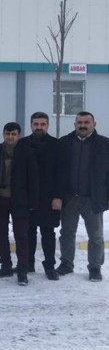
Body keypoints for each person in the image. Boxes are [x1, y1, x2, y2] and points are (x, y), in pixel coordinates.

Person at [57, 111, 109, 281]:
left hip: (93, 198)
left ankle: (95, 267)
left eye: (86, 122)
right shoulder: (64, 143)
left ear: (94, 124)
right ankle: (66, 263)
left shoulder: (104, 144)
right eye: (80, 122)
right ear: (75, 125)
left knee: (96, 236)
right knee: (67, 233)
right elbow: (58, 171)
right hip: (70, 197)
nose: (83, 125)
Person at [0, 122, 39, 285]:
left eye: (13, 134)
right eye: (7, 134)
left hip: (20, 200)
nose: (10, 137)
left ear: (19, 135)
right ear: (3, 134)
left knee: (21, 235)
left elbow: (33, 179)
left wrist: (33, 202)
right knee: (0, 234)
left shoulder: (28, 153)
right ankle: (5, 266)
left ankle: (22, 271)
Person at [18, 112, 66, 280]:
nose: (39, 127)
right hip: (27, 196)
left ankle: (49, 266)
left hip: (49, 197)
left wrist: (58, 196)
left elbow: (62, 173)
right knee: (28, 231)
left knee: (48, 232)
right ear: (31, 125)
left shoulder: (57, 145)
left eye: (42, 124)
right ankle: (28, 263)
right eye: (36, 124)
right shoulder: (22, 143)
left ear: (47, 126)